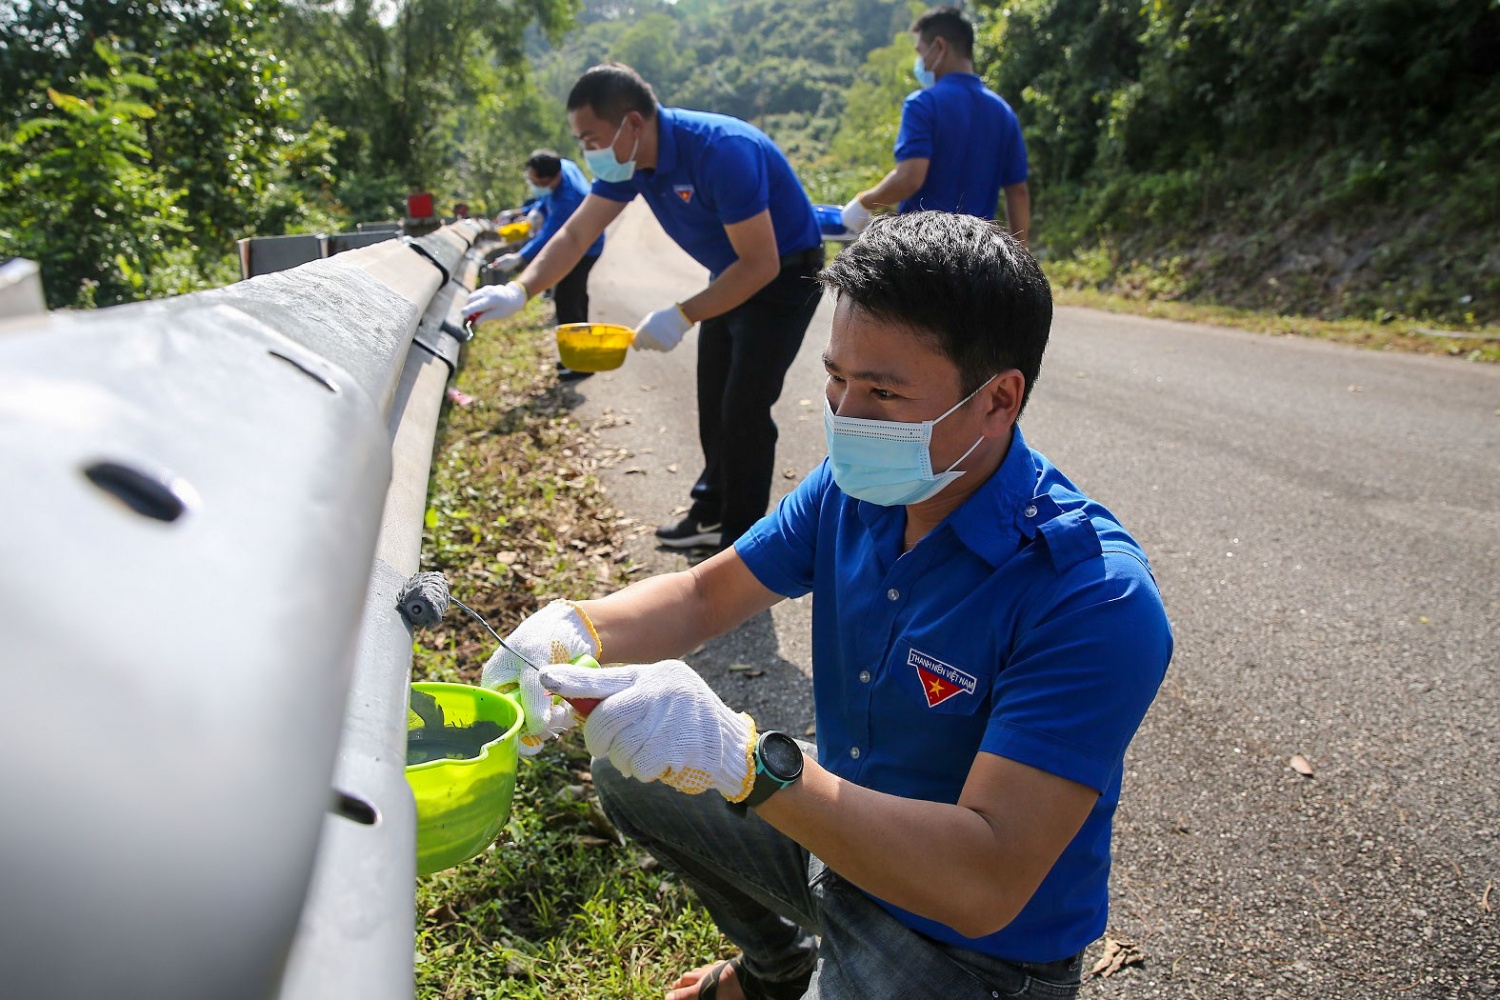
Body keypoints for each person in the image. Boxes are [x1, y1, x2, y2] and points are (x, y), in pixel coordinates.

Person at [483, 212, 1173, 999]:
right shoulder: (856, 491)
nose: (847, 417)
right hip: (838, 839)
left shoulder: (1091, 596)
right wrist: (578, 627)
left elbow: (983, 880)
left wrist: (747, 768)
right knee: (630, 768)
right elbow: (706, 594)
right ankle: (776, 967)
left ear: (998, 400)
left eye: (883, 391)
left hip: (969, 951)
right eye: (837, 379)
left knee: (702, 764)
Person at [462, 62, 825, 552]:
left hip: (782, 276)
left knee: (744, 409)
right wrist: (519, 291)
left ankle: (741, 545)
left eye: (591, 139)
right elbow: (575, 232)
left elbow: (760, 265)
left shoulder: (720, 151)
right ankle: (710, 510)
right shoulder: (633, 162)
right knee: (713, 401)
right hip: (731, 273)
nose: (587, 153)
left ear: (632, 123)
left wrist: (682, 314)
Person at [841, 6, 1030, 246]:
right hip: (977, 252)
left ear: (939, 47)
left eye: (921, 52)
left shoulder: (923, 104)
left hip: (921, 251)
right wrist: (1019, 254)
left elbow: (909, 178)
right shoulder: (1003, 111)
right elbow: (1018, 191)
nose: (921, 63)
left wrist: (863, 203)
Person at [488, 149, 608, 382]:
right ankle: (579, 355)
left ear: (552, 178)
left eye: (536, 182)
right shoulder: (562, 167)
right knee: (575, 297)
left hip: (584, 248)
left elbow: (549, 237)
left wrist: (520, 258)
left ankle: (580, 363)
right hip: (581, 242)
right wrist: (528, 211)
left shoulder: (568, 199)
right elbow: (545, 200)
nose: (533, 185)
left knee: (567, 299)